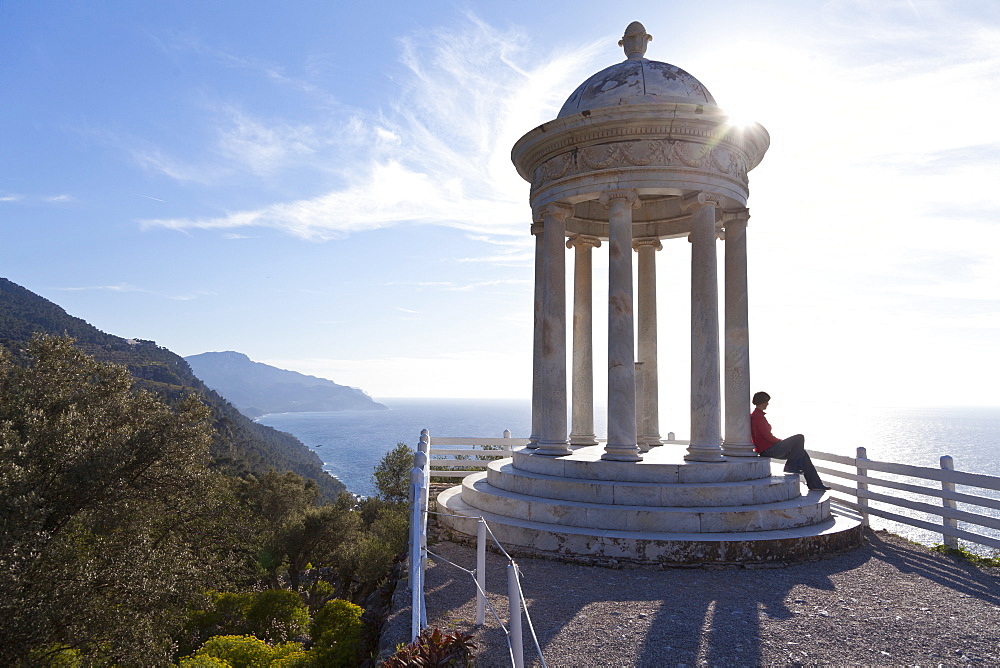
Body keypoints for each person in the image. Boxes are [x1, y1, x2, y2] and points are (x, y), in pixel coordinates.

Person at [750, 391, 830, 491]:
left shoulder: (757, 416)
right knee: (799, 437)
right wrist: (780, 441)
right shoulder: (758, 417)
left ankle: (815, 484)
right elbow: (768, 437)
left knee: (802, 453)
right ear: (762, 402)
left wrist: (782, 443)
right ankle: (791, 466)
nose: (768, 404)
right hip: (769, 449)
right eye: (766, 402)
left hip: (768, 448)